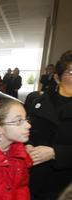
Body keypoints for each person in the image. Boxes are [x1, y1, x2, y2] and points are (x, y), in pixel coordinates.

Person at [25, 50, 72, 200]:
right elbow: (25, 130)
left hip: (64, 186)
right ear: (57, 78)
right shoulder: (37, 101)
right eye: (71, 72)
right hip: (32, 179)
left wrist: (55, 153)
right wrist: (27, 145)